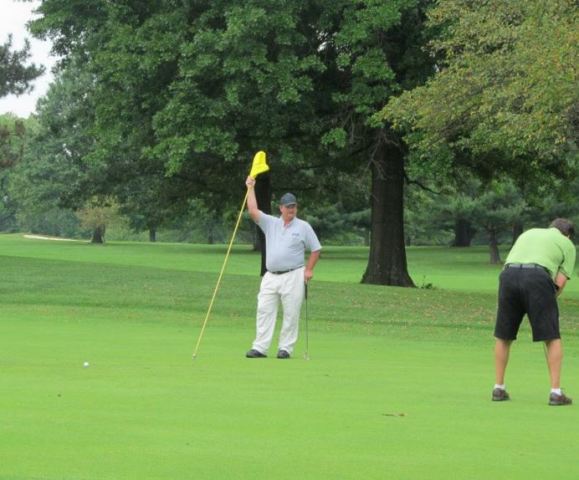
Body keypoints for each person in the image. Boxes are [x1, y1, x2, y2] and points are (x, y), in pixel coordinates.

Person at [492, 218, 576, 406]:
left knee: (503, 335)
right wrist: (546, 302)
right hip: (538, 277)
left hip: (508, 275)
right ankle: (555, 393)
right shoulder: (568, 245)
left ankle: (498, 388)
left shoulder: (529, 233)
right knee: (552, 336)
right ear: (568, 234)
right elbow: (560, 282)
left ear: (551, 228)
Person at [244, 175, 321, 359]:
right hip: (270, 275)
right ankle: (260, 347)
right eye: (288, 207)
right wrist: (250, 188)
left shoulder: (303, 227)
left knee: (291, 312)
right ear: (281, 208)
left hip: (293, 274)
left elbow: (316, 249)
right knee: (264, 309)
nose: (291, 210)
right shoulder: (271, 223)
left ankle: (285, 348)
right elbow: (253, 211)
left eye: (293, 207)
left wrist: (309, 270)